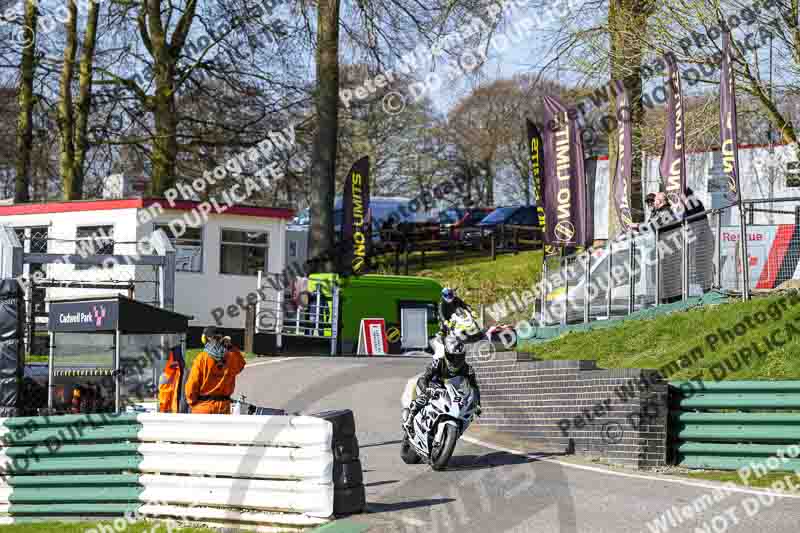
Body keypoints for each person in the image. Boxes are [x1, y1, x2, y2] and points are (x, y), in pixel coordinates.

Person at [404, 337, 481, 437]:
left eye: (459, 358)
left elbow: (474, 387)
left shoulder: (468, 369)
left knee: (469, 414)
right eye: (452, 357)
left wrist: (477, 404)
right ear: (446, 355)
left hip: (452, 392)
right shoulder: (438, 362)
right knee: (424, 396)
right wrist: (426, 389)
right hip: (433, 387)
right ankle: (410, 419)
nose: (456, 361)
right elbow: (425, 377)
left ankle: (456, 433)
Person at [185, 326, 246, 414]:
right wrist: (231, 347)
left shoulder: (201, 359)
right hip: (223, 407)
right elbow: (241, 364)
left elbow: (192, 385)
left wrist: (192, 403)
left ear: (204, 339)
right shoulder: (231, 357)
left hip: (203, 407)